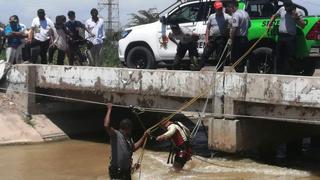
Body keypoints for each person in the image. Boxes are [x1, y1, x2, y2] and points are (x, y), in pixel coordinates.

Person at [104, 103, 149, 180]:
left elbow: (134, 148)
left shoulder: (129, 138)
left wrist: (144, 136)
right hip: (117, 172)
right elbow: (106, 125)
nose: (131, 131)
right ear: (127, 128)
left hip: (126, 172)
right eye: (130, 128)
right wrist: (109, 109)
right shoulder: (115, 135)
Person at [267, 0, 305, 74]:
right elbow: (274, 16)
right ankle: (280, 71)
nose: (287, 10)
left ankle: (292, 72)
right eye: (286, 8)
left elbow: (303, 25)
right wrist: (269, 25)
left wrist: (296, 18)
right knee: (278, 55)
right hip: (281, 36)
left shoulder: (297, 11)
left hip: (290, 37)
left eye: (289, 8)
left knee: (290, 56)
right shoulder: (282, 9)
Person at [198, 1, 232, 71]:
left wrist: (230, 36)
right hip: (212, 38)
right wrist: (206, 39)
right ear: (215, 9)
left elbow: (233, 25)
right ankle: (199, 67)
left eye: (220, 8)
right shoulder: (211, 16)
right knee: (206, 52)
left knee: (220, 55)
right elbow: (208, 28)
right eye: (218, 9)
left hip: (222, 38)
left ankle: (219, 69)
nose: (219, 10)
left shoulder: (227, 17)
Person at [227, 1, 250, 72]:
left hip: (238, 39)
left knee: (236, 58)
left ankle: (238, 73)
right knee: (242, 58)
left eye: (230, 7)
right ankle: (242, 71)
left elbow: (234, 28)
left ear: (233, 7)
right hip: (245, 38)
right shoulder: (245, 13)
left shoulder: (236, 15)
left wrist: (231, 39)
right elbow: (249, 25)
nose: (229, 9)